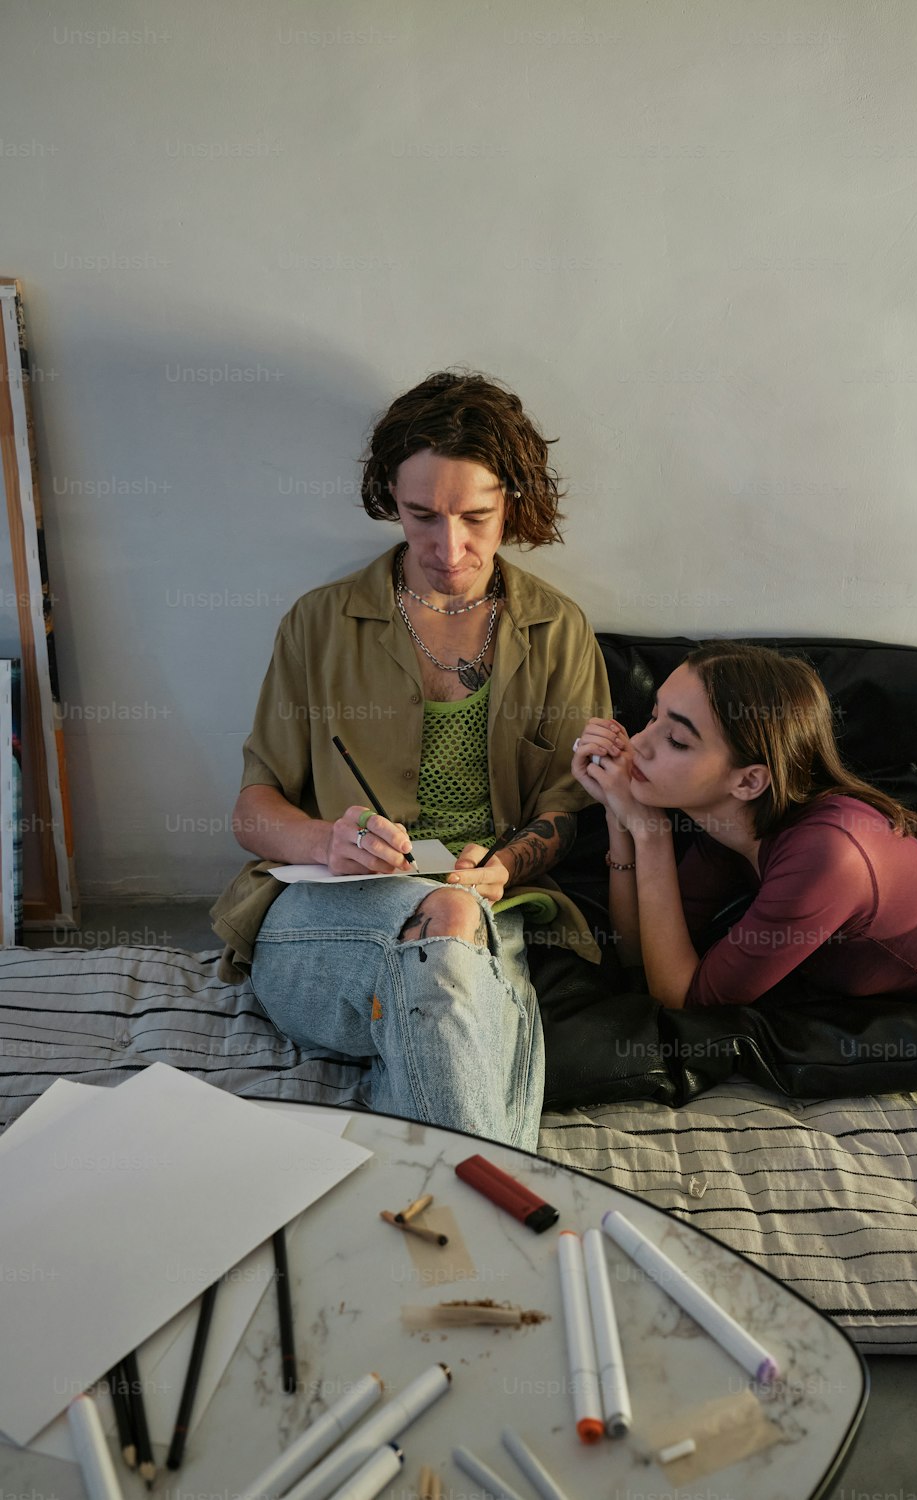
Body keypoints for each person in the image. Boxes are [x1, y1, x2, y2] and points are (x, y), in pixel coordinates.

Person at [211, 371, 611, 1150]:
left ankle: (446, 1217)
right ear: (388, 500)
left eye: (476, 518)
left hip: (484, 911)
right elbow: (252, 811)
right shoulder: (320, 623)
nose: (448, 547)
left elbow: (571, 811)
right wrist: (325, 841)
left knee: (450, 939)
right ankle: (508, 1208)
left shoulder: (558, 631)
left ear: (514, 508)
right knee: (457, 962)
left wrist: (500, 870)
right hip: (326, 917)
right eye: (420, 515)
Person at [571, 640, 917, 1014]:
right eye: (652, 717)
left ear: (748, 780)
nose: (639, 742)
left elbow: (683, 1000)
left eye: (677, 740)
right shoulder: (732, 829)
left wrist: (648, 831)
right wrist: (617, 813)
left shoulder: (826, 856)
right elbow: (638, 955)